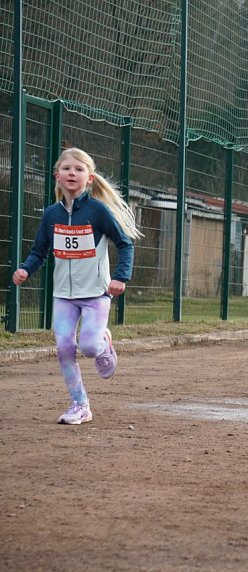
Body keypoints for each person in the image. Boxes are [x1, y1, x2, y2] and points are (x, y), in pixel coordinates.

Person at [12, 148, 141, 424]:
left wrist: (120, 277)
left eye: (79, 169)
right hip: (64, 296)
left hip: (96, 294)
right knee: (64, 348)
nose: (73, 173)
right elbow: (39, 252)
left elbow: (124, 245)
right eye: (67, 169)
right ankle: (79, 404)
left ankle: (103, 342)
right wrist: (25, 269)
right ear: (57, 176)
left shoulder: (98, 211)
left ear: (89, 178)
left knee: (90, 347)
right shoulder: (50, 215)